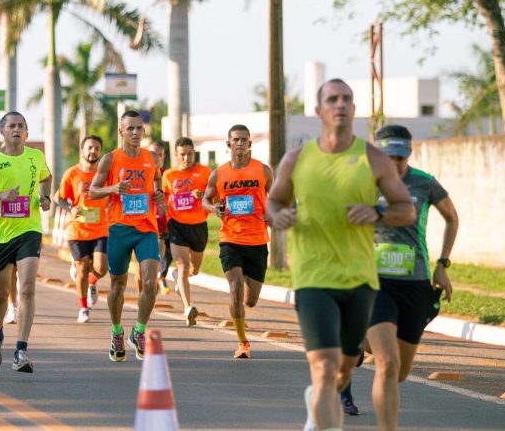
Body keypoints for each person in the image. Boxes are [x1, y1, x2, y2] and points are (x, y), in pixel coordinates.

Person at [265, 79, 415, 431]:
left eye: (347, 98)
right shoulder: (297, 159)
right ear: (319, 110)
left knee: (344, 370)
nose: (341, 104)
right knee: (324, 367)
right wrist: (279, 216)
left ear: (354, 108)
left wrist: (377, 213)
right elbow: (273, 201)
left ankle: (318, 403)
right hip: (313, 278)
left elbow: (406, 209)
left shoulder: (373, 158)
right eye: (332, 99)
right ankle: (323, 406)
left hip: (359, 278)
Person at [338, 125, 458, 429]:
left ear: (409, 153)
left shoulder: (424, 183)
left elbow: (452, 218)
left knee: (400, 371)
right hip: (373, 282)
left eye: (400, 157)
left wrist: (442, 264)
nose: (394, 163)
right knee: (388, 366)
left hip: (414, 283)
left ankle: (362, 342)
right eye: (388, 156)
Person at [0, 112, 51, 373]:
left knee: (26, 288)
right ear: (2, 131)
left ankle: (21, 350)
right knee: (0, 294)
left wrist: (45, 197)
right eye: (12, 126)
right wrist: (0, 196)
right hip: (0, 235)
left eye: (21, 126)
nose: (17, 130)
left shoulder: (36, 157)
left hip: (29, 230)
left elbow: (46, 178)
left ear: (27, 132)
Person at [88, 110, 166, 362]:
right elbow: (93, 191)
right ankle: (117, 332)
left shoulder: (151, 157)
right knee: (117, 285)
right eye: (129, 128)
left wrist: (159, 196)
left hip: (146, 227)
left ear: (144, 131)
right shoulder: (110, 159)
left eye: (138, 128)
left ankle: (139, 331)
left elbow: (156, 182)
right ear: (121, 132)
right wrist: (112, 188)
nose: (134, 133)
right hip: (119, 229)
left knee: (150, 282)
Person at [202, 125, 273, 358]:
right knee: (234, 287)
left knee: (250, 300)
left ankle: (240, 307)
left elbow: (276, 197)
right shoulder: (219, 173)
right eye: (236, 140)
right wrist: (215, 208)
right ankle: (243, 342)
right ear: (228, 144)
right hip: (230, 238)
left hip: (258, 239)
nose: (240, 144)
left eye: (244, 140)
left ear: (250, 144)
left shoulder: (263, 171)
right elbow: (205, 199)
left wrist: (272, 213)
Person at [55, 135, 110, 323]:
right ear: (82, 150)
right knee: (81, 269)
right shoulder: (72, 173)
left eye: (96, 148)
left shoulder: (105, 175)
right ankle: (84, 308)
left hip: (100, 228)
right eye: (89, 147)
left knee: (101, 268)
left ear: (100, 152)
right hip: (77, 228)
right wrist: (70, 208)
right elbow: (58, 198)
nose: (93, 151)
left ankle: (92, 283)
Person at [162, 137, 212, 326]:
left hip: (199, 226)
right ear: (176, 155)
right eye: (182, 154)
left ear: (194, 153)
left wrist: (204, 195)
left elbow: (215, 196)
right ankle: (187, 308)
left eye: (190, 153)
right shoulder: (169, 175)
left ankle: (178, 279)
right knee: (182, 266)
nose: (186, 157)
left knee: (194, 269)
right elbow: (163, 197)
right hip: (176, 226)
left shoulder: (205, 172)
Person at [147, 140, 173, 294]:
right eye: (153, 153)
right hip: (143, 221)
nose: (156, 157)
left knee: (158, 258)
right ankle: (148, 285)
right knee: (143, 265)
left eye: (160, 154)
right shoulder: (140, 172)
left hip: (162, 221)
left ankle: (156, 278)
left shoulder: (167, 175)